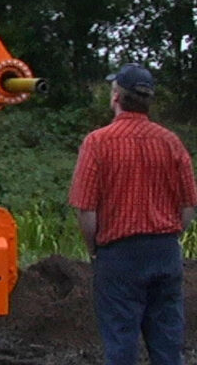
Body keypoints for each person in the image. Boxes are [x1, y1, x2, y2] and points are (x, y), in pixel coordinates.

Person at [68, 62, 197, 365]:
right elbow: (189, 206)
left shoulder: (98, 143)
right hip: (165, 250)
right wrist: (173, 235)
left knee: (121, 341)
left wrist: (95, 250)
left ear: (115, 96)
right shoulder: (171, 143)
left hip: (119, 254)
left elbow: (86, 209)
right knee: (167, 343)